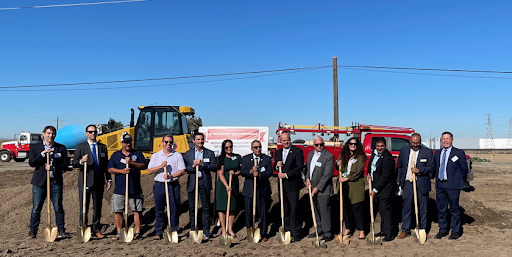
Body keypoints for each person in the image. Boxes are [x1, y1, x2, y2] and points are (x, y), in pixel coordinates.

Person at [28, 125, 70, 239]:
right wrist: (43, 154)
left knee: (58, 207)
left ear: (55, 135)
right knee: (36, 208)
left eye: (52, 134)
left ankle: (61, 230)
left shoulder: (61, 148)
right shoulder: (35, 147)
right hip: (39, 183)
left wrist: (54, 168)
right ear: (43, 134)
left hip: (55, 182)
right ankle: (33, 231)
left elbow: (66, 164)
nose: (50, 136)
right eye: (48, 133)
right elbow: (32, 163)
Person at [72, 124, 112, 239]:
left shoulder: (102, 147)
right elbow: (74, 163)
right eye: (90, 132)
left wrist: (108, 178)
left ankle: (96, 229)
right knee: (84, 206)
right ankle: (83, 227)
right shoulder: (80, 147)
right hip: (85, 181)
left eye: (94, 132)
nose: (93, 134)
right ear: (86, 133)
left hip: (99, 181)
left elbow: (105, 165)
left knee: (97, 206)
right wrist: (81, 161)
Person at [147, 134, 186, 240]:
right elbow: (149, 171)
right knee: (159, 209)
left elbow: (182, 171)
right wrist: (160, 166)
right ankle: (159, 232)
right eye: (166, 142)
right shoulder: (156, 156)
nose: (168, 144)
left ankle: (173, 230)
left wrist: (171, 176)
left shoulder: (177, 155)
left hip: (173, 185)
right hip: (159, 185)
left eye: (170, 142)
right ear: (162, 142)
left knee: (174, 209)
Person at [108, 134, 146, 240]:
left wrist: (132, 163)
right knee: (118, 211)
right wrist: (122, 171)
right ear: (121, 143)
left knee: (137, 210)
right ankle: (119, 232)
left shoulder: (137, 153)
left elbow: (143, 165)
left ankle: (138, 232)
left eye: (129, 141)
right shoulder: (115, 155)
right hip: (120, 189)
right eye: (125, 142)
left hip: (135, 188)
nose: (128, 144)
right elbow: (110, 169)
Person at [396, 133, 434, 239]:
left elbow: (431, 167)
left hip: (422, 183)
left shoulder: (427, 152)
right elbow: (399, 166)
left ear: (420, 142)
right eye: (413, 143)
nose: (415, 145)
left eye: (417, 143)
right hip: (408, 182)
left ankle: (422, 230)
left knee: (423, 208)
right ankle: (405, 230)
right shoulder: (404, 150)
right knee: (407, 207)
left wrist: (419, 170)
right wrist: (399, 179)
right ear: (410, 142)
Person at [433, 132, 468, 240]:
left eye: (447, 139)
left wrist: (457, 180)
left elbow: (464, 169)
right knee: (441, 209)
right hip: (440, 184)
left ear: (452, 140)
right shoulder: (438, 153)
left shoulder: (458, 152)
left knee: (454, 209)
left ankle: (455, 231)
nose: (445, 141)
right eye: (443, 139)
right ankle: (442, 230)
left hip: (452, 186)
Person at [184, 132, 216, 240]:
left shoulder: (209, 153)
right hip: (193, 182)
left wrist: (203, 164)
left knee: (206, 207)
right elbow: (184, 169)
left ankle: (206, 230)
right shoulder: (188, 154)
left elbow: (214, 166)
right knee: (192, 207)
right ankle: (193, 229)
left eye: (202, 139)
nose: (200, 141)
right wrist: (192, 167)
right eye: (198, 139)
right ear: (193, 141)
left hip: (204, 181)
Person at [274, 132, 304, 243]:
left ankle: (296, 233)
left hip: (292, 185)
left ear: (290, 140)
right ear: (281, 141)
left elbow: (299, 168)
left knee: (294, 209)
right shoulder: (278, 152)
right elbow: (275, 167)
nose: (286, 142)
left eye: (287, 140)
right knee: (284, 209)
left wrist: (286, 175)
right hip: (282, 186)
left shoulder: (297, 151)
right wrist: (277, 167)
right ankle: (287, 230)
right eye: (283, 140)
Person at [241, 140, 273, 242]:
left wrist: (259, 175)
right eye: (256, 147)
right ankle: (250, 232)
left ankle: (264, 234)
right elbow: (242, 172)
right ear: (252, 149)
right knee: (249, 213)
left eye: (259, 147)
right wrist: (251, 171)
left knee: (263, 213)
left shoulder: (266, 159)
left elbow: (269, 172)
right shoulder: (246, 159)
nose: (258, 149)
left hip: (262, 189)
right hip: (249, 190)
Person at [336, 137, 367, 240]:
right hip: (344, 185)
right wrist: (338, 164)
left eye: (355, 144)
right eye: (351, 144)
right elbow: (339, 167)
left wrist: (347, 178)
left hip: (355, 185)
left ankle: (361, 230)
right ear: (348, 145)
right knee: (345, 208)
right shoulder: (343, 154)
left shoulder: (361, 157)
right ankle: (348, 227)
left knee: (356, 208)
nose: (353, 146)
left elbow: (357, 172)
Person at [306, 137, 334, 242]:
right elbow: (308, 169)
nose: (319, 146)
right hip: (311, 188)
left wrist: (318, 188)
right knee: (315, 210)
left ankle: (327, 233)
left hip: (323, 189)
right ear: (314, 145)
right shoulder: (310, 154)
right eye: (317, 145)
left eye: (321, 144)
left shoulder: (329, 156)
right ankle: (319, 229)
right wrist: (307, 178)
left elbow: (327, 175)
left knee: (324, 211)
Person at [367, 138, 395, 242]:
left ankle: (389, 234)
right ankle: (383, 230)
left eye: (382, 146)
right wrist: (369, 174)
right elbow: (371, 165)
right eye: (378, 146)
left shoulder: (388, 158)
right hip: (376, 185)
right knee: (381, 210)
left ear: (385, 146)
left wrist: (375, 190)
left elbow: (385, 177)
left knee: (386, 211)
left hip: (385, 189)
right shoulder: (374, 154)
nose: (379, 148)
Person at [215, 139, 241, 238]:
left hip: (234, 183)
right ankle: (223, 230)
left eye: (230, 146)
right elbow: (220, 174)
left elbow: (241, 170)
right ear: (223, 148)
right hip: (223, 185)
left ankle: (230, 229)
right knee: (222, 207)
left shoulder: (237, 157)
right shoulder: (221, 158)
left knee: (232, 208)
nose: (229, 149)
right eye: (227, 147)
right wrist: (226, 186)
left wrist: (235, 173)